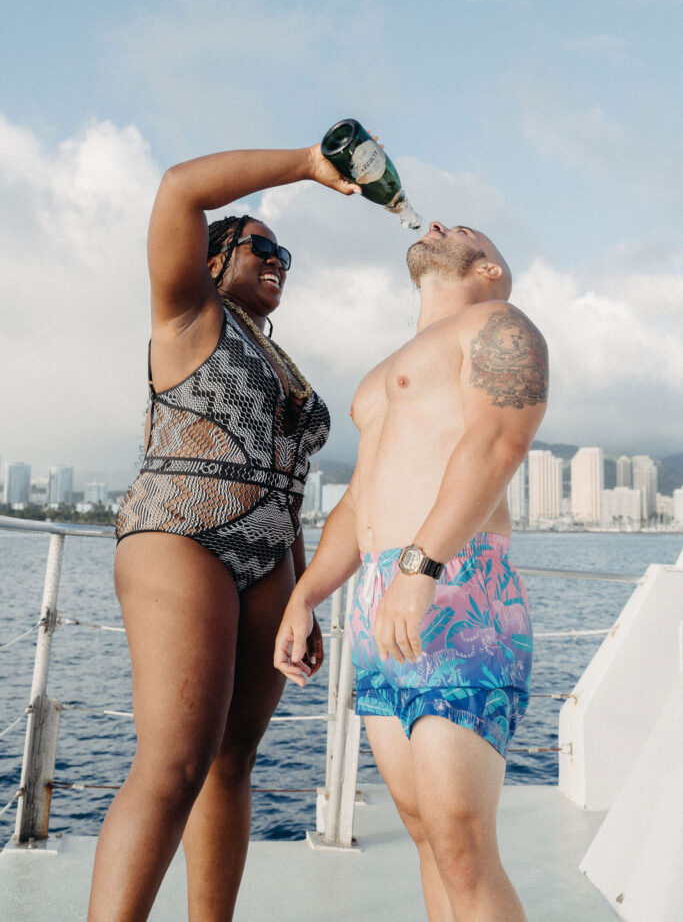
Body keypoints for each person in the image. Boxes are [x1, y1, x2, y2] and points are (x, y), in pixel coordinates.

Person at [87, 144, 360, 922]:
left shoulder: (281, 355)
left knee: (233, 762)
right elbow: (179, 189)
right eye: (260, 247)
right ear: (211, 261)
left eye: (286, 254)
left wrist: (304, 591)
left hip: (272, 553)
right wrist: (310, 163)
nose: (279, 261)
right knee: (172, 764)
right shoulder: (187, 311)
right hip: (180, 534)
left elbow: (293, 484)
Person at [275, 221, 548, 922]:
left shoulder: (497, 322)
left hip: (455, 583)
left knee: (460, 840)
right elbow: (360, 500)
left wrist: (420, 563)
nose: (437, 224)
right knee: (424, 834)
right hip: (380, 594)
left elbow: (498, 440)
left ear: (488, 268)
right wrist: (305, 596)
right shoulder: (382, 375)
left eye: (463, 229)